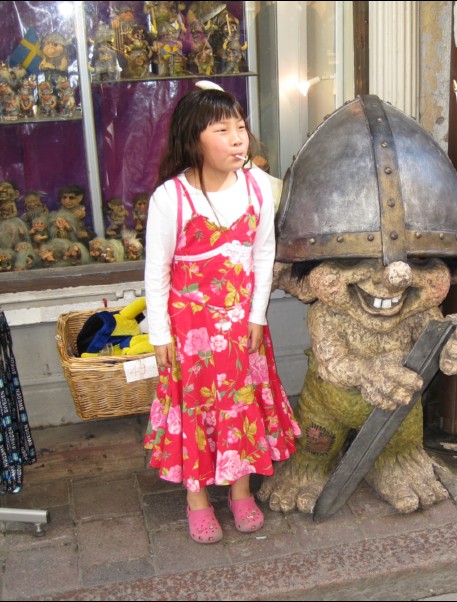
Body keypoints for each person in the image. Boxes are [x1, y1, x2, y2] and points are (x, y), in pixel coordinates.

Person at [143, 81, 300, 544]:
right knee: (197, 410)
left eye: (241, 128)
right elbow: (157, 273)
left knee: (241, 409)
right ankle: (196, 498)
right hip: (190, 331)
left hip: (242, 329)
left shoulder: (256, 187)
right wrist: (160, 336)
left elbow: (262, 255)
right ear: (194, 140)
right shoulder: (170, 198)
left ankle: (240, 491)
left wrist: (257, 316)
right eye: (222, 130)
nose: (237, 139)